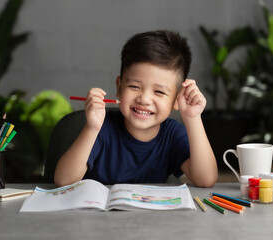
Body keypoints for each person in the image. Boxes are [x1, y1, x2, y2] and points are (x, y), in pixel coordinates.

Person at [55, 30, 217, 187]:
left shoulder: (172, 134)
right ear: (119, 87)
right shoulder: (101, 128)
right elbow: (63, 180)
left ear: (177, 99)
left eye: (159, 92)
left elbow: (206, 179)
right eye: (134, 86)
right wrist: (92, 128)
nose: (144, 99)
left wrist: (192, 118)